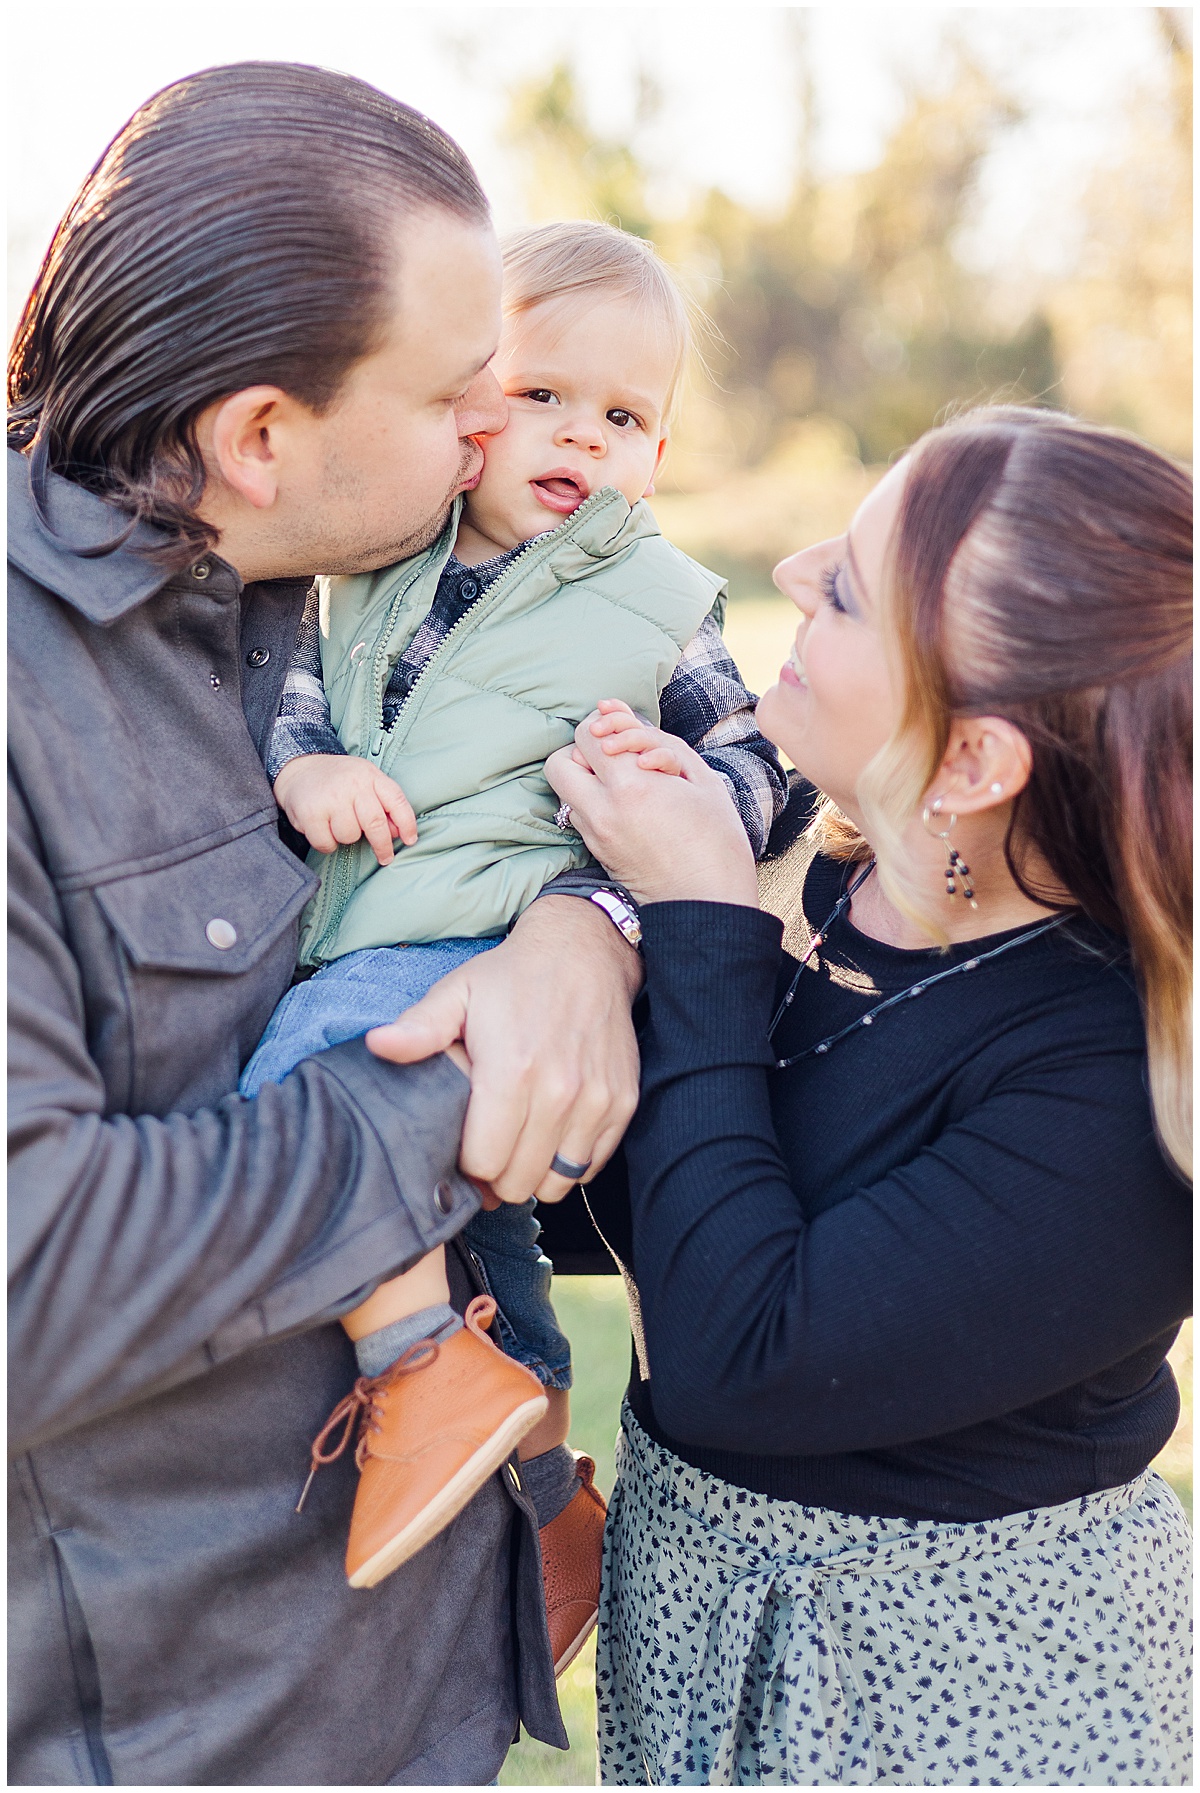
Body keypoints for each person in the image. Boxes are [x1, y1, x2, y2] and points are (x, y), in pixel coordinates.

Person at [8, 64, 647, 1787]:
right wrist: (467, 1077)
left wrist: (587, 938)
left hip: (424, 1694)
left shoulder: (366, 600)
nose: (492, 431)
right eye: (459, 391)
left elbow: (571, 814)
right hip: (189, 1738)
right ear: (263, 433)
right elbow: (28, 1276)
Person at [548, 406, 1193, 1785]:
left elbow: (740, 1355)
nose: (788, 570)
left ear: (972, 762)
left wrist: (698, 920)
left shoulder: (1119, 1092)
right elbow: (666, 1189)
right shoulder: (854, 889)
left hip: (955, 1707)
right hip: (714, 1661)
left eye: (845, 589)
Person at [237, 220, 785, 1608]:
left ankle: (414, 1364)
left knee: (302, 1088)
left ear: (659, 451)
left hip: (490, 939)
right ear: (464, 397)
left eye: (623, 415)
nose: (578, 437)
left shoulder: (654, 599)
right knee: (495, 1240)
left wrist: (683, 785)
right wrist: (307, 767)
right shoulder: (372, 557)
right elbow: (299, 692)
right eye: (540, 393)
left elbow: (761, 759)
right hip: (373, 912)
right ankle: (545, 1485)